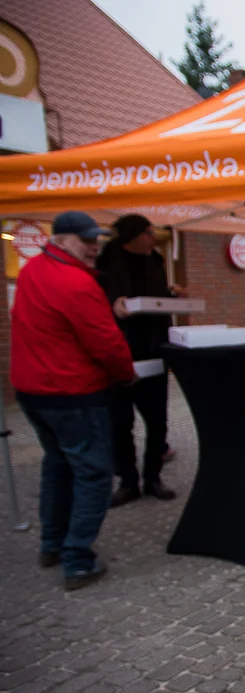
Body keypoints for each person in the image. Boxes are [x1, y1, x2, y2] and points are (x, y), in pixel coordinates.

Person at [11, 211, 135, 591]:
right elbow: (106, 342)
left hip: (32, 391)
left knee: (58, 465)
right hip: (72, 393)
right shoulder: (76, 283)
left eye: (96, 239)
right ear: (61, 239)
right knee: (93, 473)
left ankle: (52, 545)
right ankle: (77, 559)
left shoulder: (32, 271)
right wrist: (126, 374)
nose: (94, 246)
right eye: (86, 240)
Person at [96, 214, 182, 506]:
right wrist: (113, 304)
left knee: (158, 421)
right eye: (148, 232)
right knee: (120, 423)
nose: (153, 237)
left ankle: (153, 477)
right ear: (132, 236)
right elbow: (96, 303)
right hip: (120, 353)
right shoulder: (106, 262)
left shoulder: (154, 260)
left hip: (153, 349)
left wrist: (172, 294)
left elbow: (155, 298)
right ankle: (128, 481)